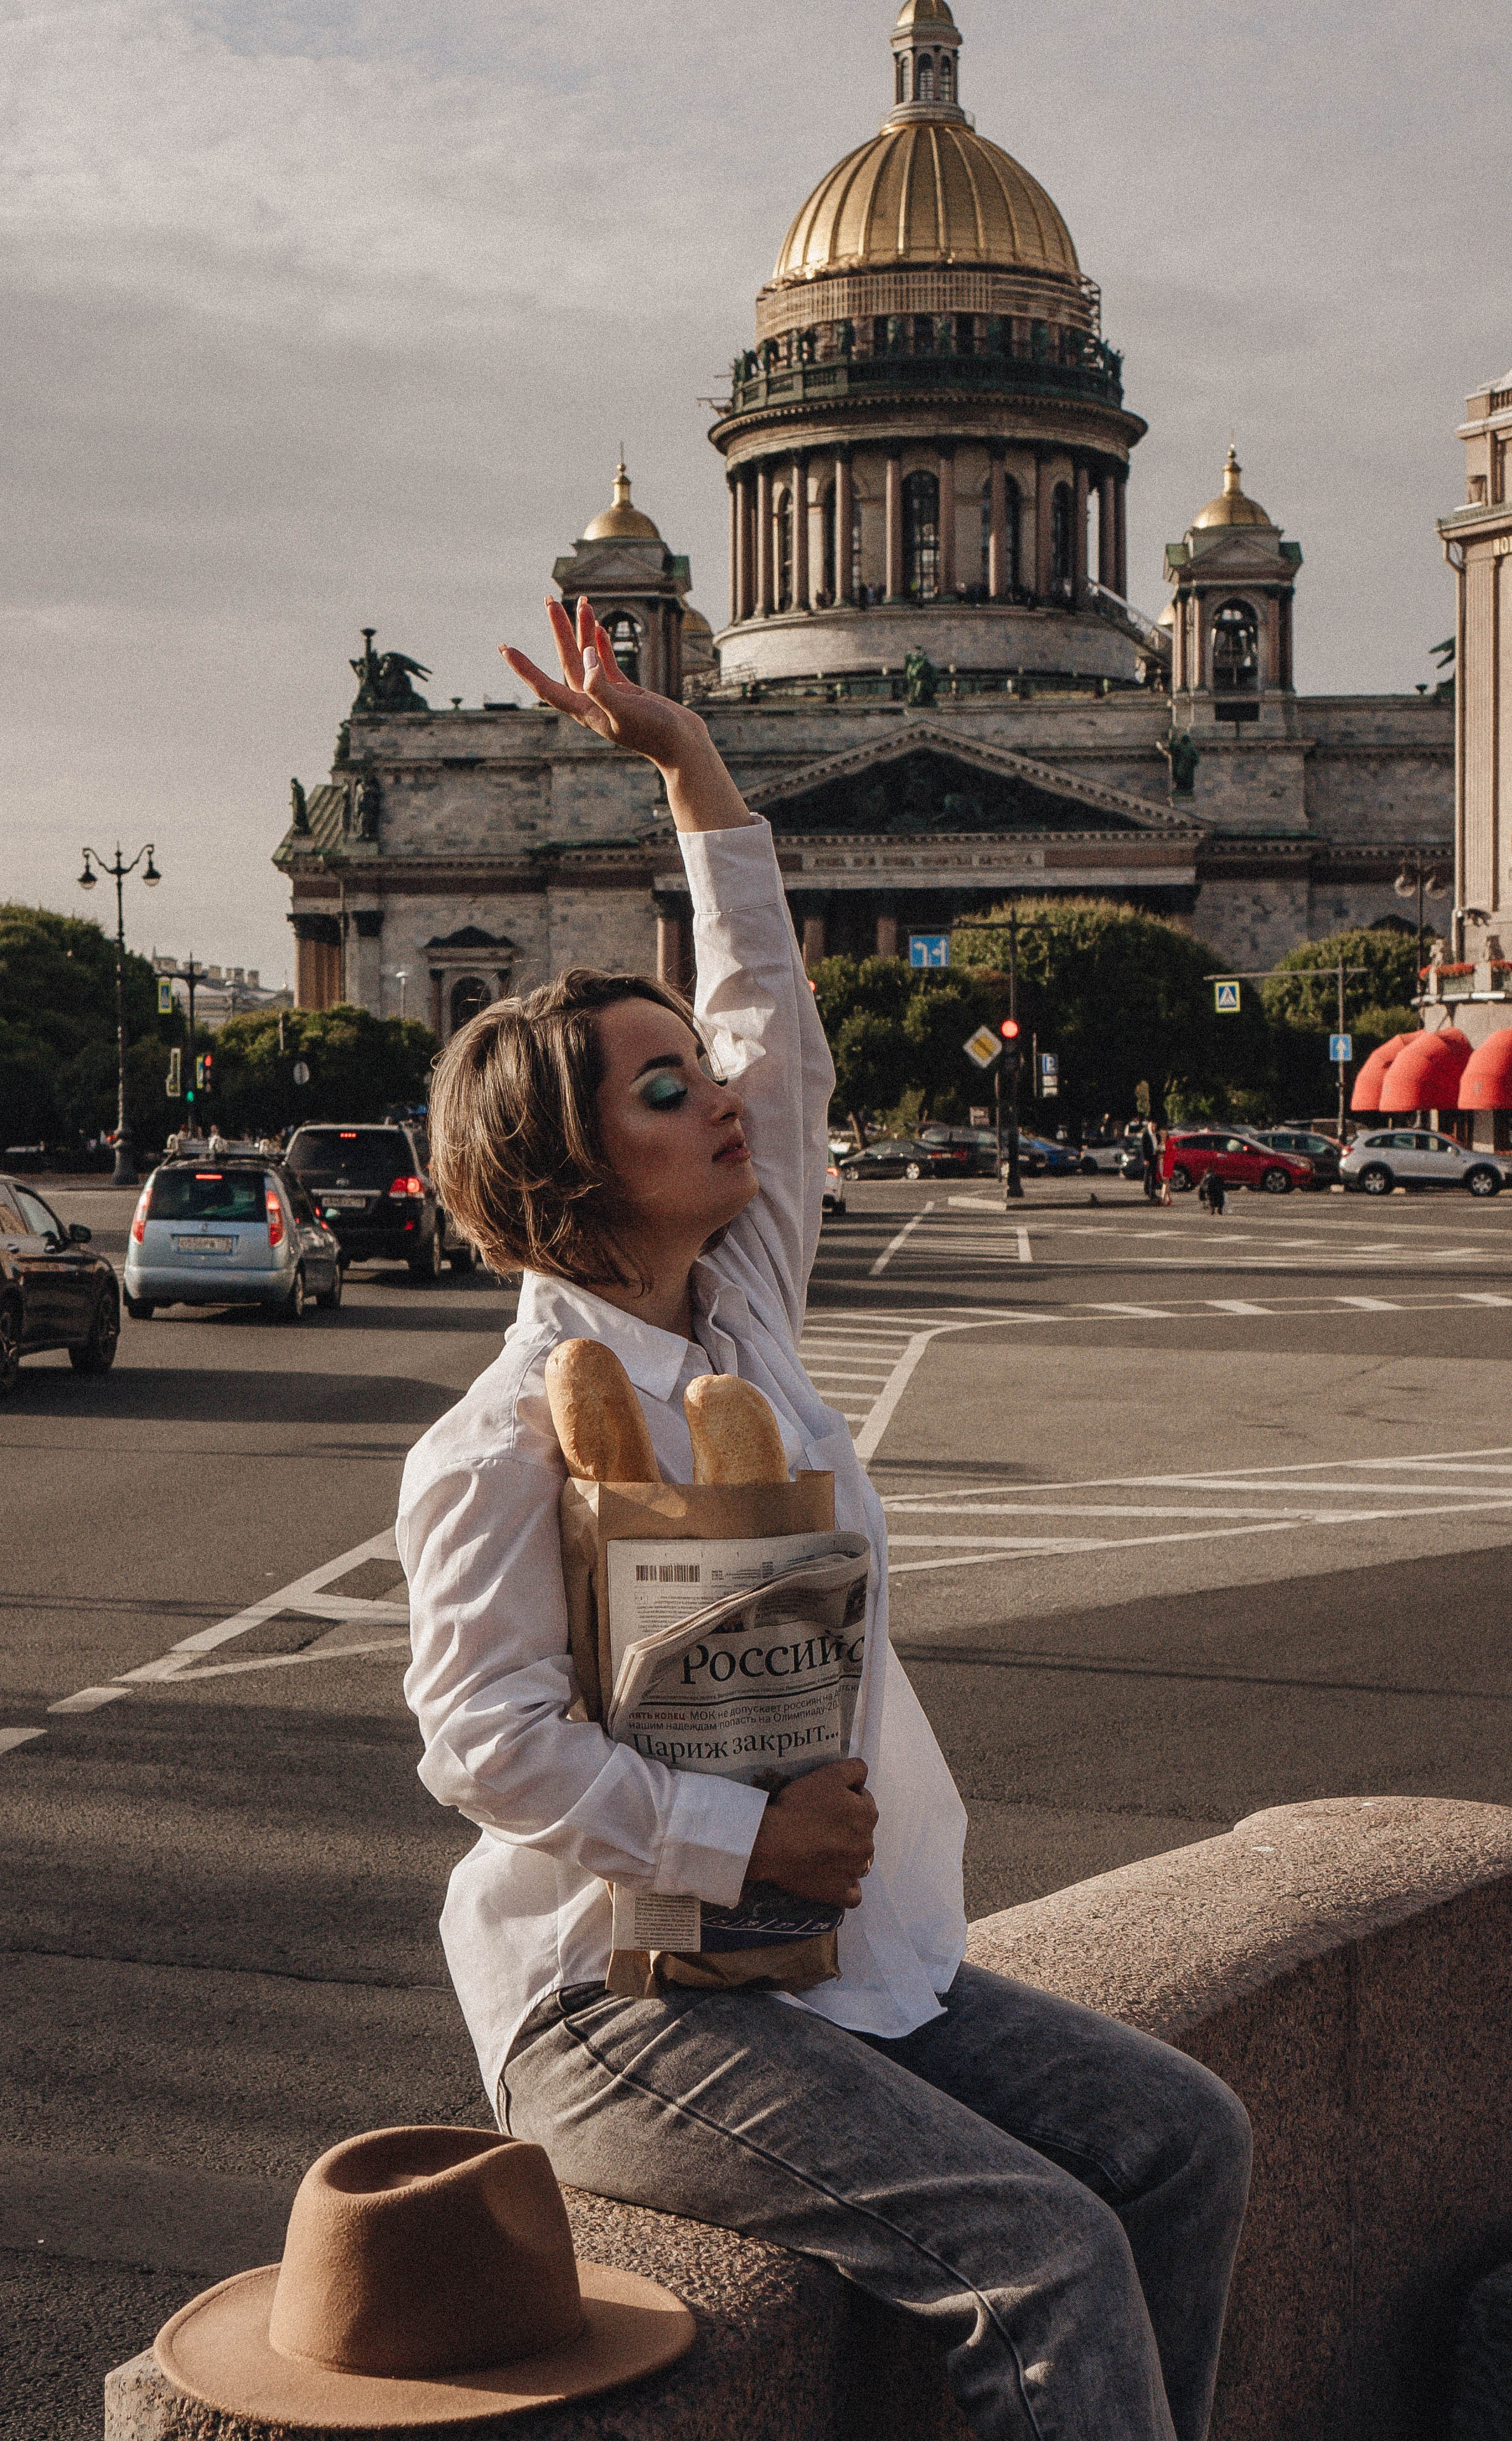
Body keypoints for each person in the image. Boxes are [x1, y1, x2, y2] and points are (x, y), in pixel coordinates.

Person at [397, 596, 1250, 2441]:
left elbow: (768, 1004)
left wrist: (692, 764)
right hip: (620, 1995)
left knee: (1183, 2138)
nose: (728, 1100)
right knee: (1043, 2247)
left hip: (825, 1956)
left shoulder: (746, 1306)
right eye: (668, 1088)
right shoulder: (494, 1444)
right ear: (567, 1163)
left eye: (702, 1074)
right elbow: (483, 1746)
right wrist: (742, 1838)